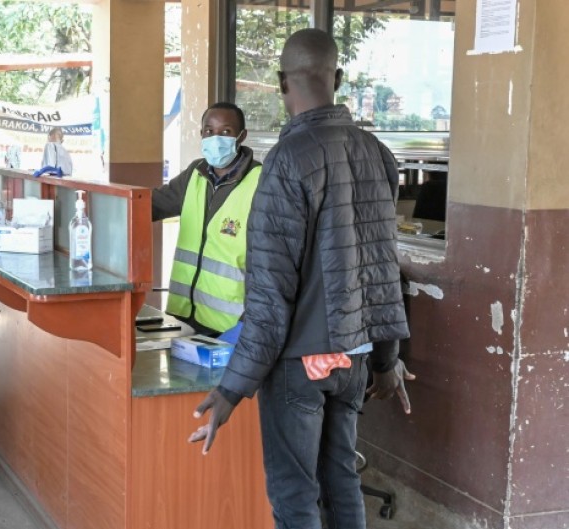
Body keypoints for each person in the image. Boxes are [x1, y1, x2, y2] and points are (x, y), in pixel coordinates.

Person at [188, 29, 413, 529]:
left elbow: (270, 294)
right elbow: (382, 271)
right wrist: (386, 359)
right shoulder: (378, 154)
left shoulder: (286, 161)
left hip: (299, 363)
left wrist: (232, 389)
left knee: (295, 495)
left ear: (280, 84)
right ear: (336, 78)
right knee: (341, 479)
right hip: (354, 356)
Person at [152, 102, 260, 337]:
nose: (216, 138)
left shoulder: (260, 182)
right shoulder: (195, 173)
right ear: (201, 134)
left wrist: (248, 323)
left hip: (229, 327)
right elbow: (153, 205)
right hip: (182, 318)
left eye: (226, 132)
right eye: (209, 131)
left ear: (241, 136)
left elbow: (268, 263)